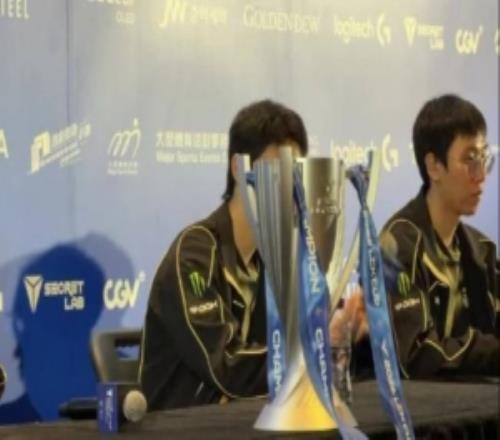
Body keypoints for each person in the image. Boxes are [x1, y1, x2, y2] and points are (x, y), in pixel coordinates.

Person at [139, 99, 309, 411]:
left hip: (245, 423)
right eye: (277, 171)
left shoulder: (276, 259)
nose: (289, 187)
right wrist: (308, 350)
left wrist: (336, 331)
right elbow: (227, 364)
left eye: (295, 173)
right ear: (238, 168)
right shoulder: (194, 254)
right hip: (179, 428)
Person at [380, 94, 499, 379]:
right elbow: (416, 355)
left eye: (484, 158)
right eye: (469, 160)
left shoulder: (482, 249)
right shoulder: (396, 244)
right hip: (417, 406)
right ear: (434, 166)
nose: (481, 175)